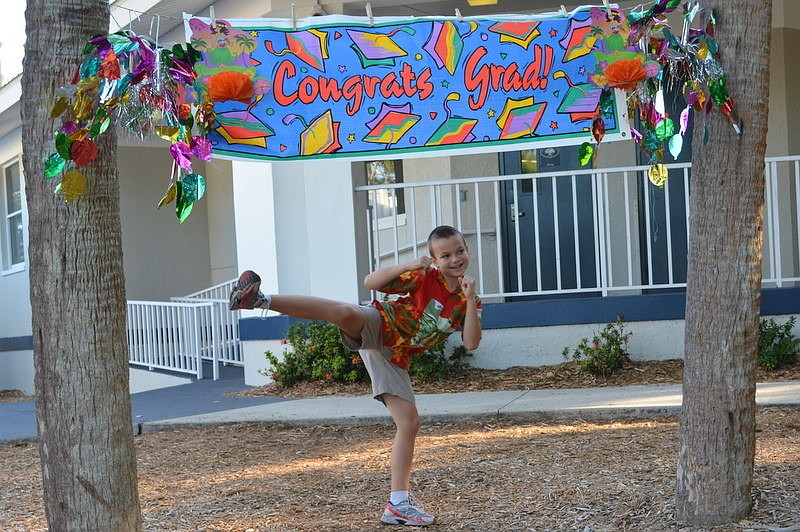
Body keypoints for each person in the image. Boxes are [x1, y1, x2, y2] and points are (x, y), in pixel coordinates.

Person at [229, 224, 482, 527]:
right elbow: (369, 281)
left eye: (460, 251)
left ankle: (398, 504)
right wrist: (410, 264)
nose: (455, 259)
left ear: (467, 250)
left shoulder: (467, 300)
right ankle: (260, 300)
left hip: (394, 356)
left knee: (409, 422)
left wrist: (469, 300)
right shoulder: (424, 276)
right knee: (346, 313)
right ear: (435, 260)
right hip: (382, 323)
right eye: (446, 255)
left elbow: (471, 343)